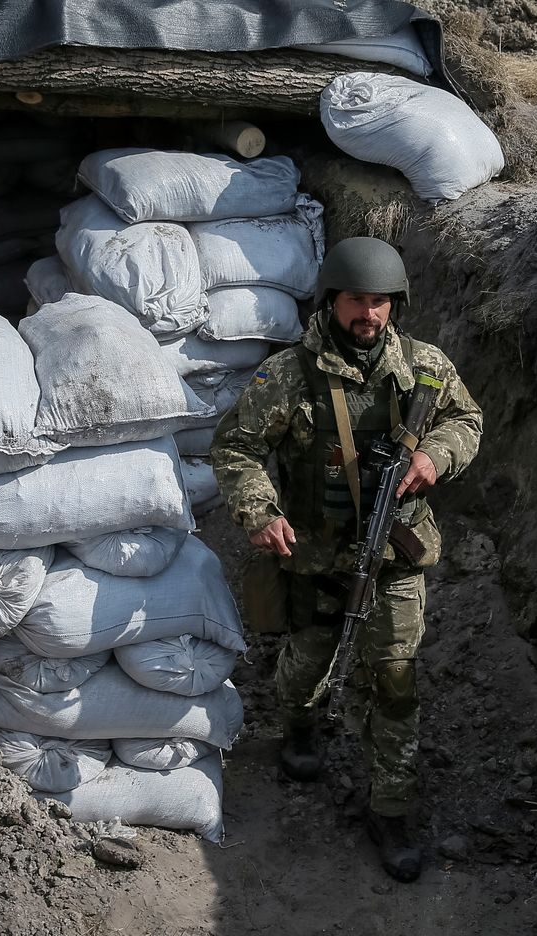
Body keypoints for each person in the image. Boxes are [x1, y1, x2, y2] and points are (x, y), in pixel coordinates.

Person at [211, 237, 483, 882]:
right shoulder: (288, 376)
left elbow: (467, 420)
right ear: (331, 301)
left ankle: (391, 808)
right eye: (358, 299)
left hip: (394, 557)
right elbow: (236, 447)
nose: (370, 313)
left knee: (394, 678)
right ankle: (300, 725)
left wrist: (435, 455)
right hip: (314, 556)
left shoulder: (424, 368)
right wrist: (260, 512)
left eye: (381, 301)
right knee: (307, 663)